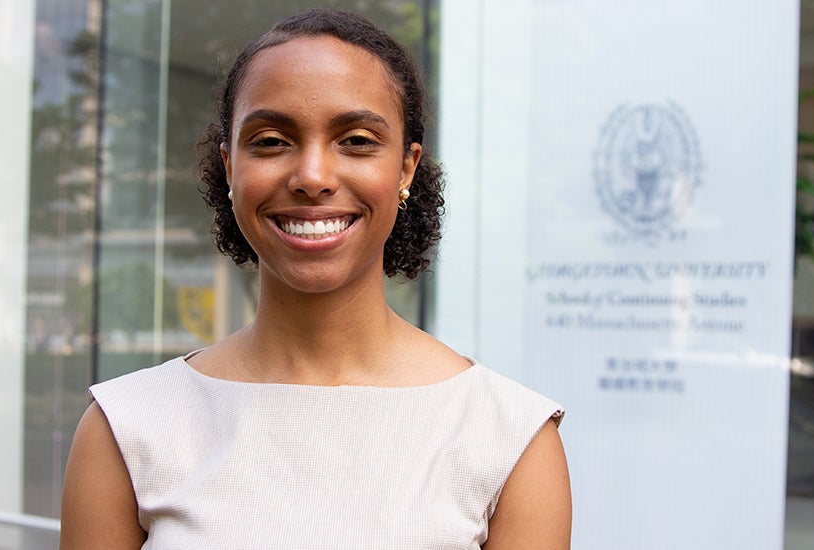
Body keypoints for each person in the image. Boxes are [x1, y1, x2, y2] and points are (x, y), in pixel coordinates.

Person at [60, 8, 570, 549]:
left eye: (355, 140)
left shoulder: (508, 438)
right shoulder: (126, 430)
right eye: (272, 141)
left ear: (405, 168)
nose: (312, 177)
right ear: (230, 168)